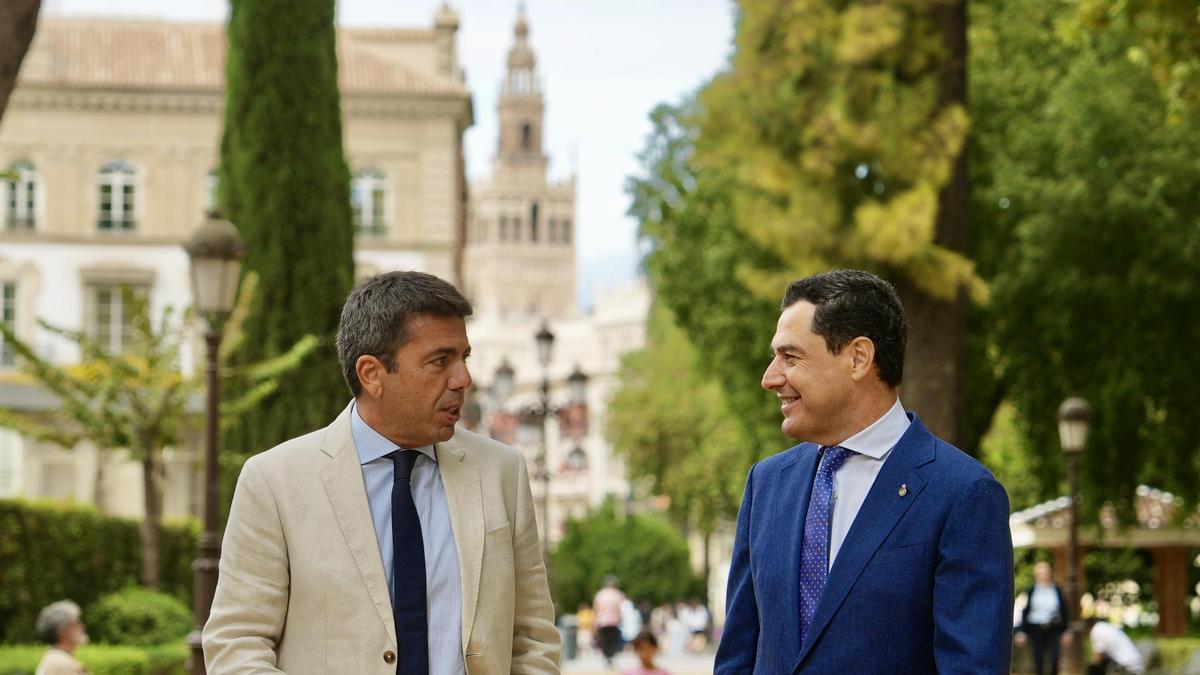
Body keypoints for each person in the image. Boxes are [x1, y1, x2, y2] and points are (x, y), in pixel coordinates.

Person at [204, 271, 560, 674]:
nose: (463, 379)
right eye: (440, 361)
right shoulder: (274, 481)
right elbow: (237, 644)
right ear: (372, 374)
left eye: (464, 358)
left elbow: (533, 639)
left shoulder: (503, 472)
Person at [714, 269, 1014, 673]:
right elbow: (738, 657)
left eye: (790, 356)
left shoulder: (963, 493)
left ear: (858, 358)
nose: (770, 378)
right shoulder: (766, 485)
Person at [1015, 561, 1071, 675]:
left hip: (1054, 627)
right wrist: (1021, 631)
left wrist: (1067, 630)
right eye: (1040, 573)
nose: (1043, 575)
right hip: (1036, 628)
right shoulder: (1030, 590)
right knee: (1038, 659)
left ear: (1050, 573)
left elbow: (1064, 610)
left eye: (1045, 572)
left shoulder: (1057, 590)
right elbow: (1024, 611)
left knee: (1055, 658)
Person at [34, 601, 88, 675]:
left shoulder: (58, 659)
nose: (82, 626)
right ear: (62, 630)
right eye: (76, 622)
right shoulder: (60, 664)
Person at [593, 576, 626, 668]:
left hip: (602, 621)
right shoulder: (618, 594)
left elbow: (596, 610)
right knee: (613, 641)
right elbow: (622, 609)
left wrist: (594, 623)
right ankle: (611, 656)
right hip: (615, 621)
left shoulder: (599, 594)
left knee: (605, 641)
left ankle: (607, 657)